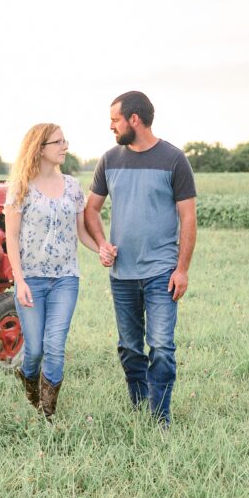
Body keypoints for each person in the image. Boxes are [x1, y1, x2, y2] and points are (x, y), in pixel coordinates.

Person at [84, 91, 197, 426]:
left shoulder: (174, 159)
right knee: (130, 348)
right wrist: (102, 243)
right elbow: (92, 209)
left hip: (162, 272)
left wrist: (182, 270)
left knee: (161, 346)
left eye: (115, 120)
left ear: (134, 119)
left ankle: (159, 418)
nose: (110, 126)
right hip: (122, 274)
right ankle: (139, 405)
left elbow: (188, 218)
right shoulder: (109, 159)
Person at [4, 123, 99, 422]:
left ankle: (48, 414)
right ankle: (29, 379)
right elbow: (12, 238)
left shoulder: (72, 186)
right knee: (33, 350)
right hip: (31, 278)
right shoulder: (21, 187)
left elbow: (81, 232)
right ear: (40, 149)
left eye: (64, 140)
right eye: (58, 142)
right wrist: (19, 281)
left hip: (65, 278)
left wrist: (102, 249)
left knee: (55, 345)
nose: (65, 146)